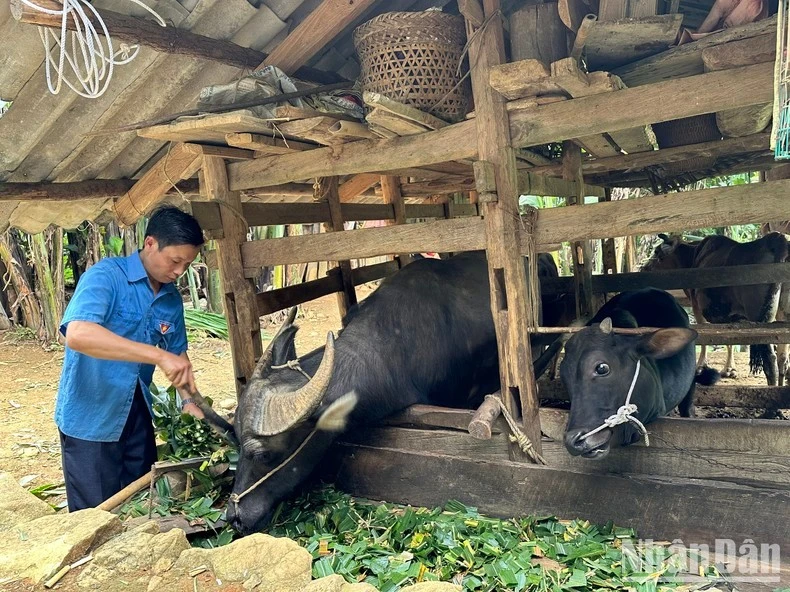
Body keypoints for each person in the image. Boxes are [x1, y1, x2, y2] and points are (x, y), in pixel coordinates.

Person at [55, 206, 206, 511]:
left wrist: (191, 402)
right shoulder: (106, 276)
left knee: (140, 505)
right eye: (175, 261)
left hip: (137, 414)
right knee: (95, 516)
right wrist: (156, 354)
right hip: (91, 418)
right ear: (150, 243)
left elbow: (177, 355)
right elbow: (78, 334)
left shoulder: (170, 297)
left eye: (187, 265)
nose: (179, 272)